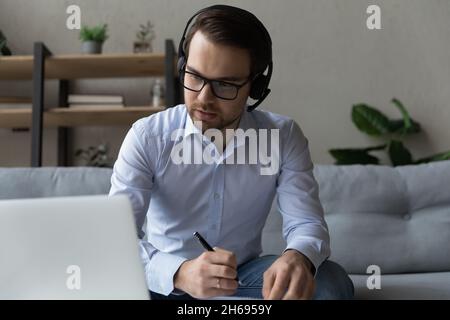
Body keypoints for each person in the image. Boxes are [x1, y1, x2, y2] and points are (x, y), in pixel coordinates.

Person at [109, 5, 354, 300]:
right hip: (162, 282)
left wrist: (298, 256)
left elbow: (306, 223)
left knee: (329, 281)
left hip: (242, 276)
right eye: (195, 76)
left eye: (224, 84)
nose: (203, 98)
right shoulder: (148, 137)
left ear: (256, 87)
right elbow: (117, 240)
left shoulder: (283, 137)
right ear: (182, 67)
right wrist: (180, 272)